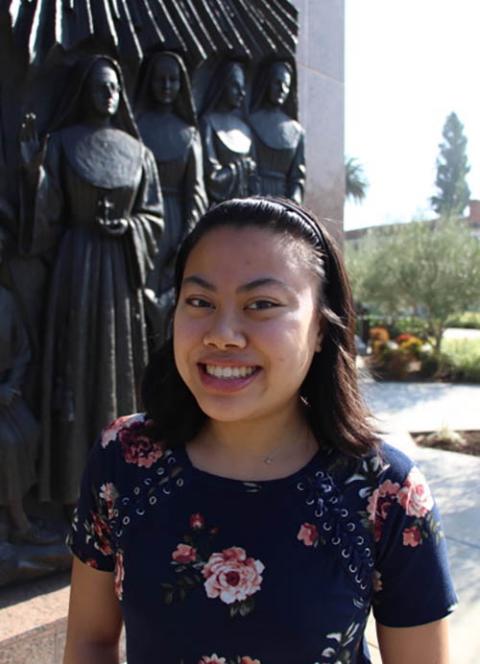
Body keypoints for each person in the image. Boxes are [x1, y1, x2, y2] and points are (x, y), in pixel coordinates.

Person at [64, 197, 456, 664]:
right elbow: (90, 642)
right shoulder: (124, 458)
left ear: (320, 331)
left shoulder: (386, 492)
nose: (223, 333)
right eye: (200, 301)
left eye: (262, 304)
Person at [19, 55, 164, 505]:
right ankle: (67, 490)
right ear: (84, 90)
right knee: (73, 371)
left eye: (114, 87)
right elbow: (48, 218)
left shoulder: (139, 152)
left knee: (117, 374)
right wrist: (34, 173)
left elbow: (154, 216)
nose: (108, 94)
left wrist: (131, 228)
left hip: (120, 275)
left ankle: (120, 484)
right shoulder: (62, 142)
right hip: (75, 270)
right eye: (100, 86)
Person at [135, 51, 207, 297]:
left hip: (176, 222)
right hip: (140, 220)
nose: (166, 86)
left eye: (173, 79)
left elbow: (196, 192)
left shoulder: (189, 135)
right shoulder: (136, 128)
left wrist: (188, 238)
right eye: (160, 79)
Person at [201, 61, 258, 202]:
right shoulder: (208, 122)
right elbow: (213, 178)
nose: (242, 93)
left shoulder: (246, 128)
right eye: (235, 86)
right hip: (219, 209)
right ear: (222, 85)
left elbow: (255, 177)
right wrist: (242, 167)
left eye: (243, 87)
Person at [250, 60, 305, 203]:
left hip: (284, 201)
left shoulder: (297, 131)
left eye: (286, 85)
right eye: (277, 82)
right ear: (267, 82)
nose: (281, 89)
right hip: (254, 195)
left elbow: (298, 176)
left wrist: (294, 201)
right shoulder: (251, 121)